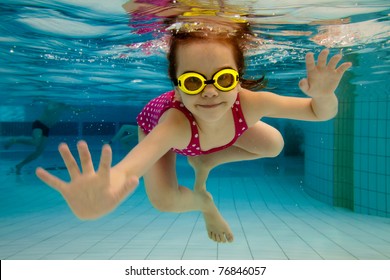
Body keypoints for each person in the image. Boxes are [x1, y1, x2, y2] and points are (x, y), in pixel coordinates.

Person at [35, 19, 352, 243]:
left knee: (274, 143)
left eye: (224, 79)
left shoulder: (250, 103)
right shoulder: (175, 124)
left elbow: (316, 113)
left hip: (212, 139)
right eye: (192, 82)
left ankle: (206, 161)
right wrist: (104, 194)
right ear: (176, 87)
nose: (210, 92)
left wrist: (324, 96)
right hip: (161, 127)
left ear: (238, 78)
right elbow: (130, 167)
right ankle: (205, 204)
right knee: (164, 201)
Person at [3, 101, 87, 175]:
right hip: (39, 124)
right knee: (36, 142)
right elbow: (48, 106)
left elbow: (77, 111)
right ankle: (14, 140)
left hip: (46, 128)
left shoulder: (64, 106)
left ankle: (20, 165)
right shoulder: (53, 103)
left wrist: (86, 109)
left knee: (39, 152)